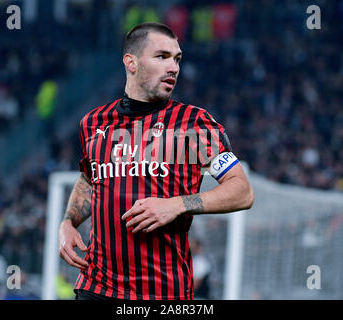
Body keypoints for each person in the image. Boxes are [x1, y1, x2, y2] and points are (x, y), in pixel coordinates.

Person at [58, 22, 254, 300]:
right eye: (162, 57)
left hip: (162, 293)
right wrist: (68, 222)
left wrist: (177, 205)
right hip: (95, 287)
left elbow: (242, 191)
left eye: (177, 59)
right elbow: (90, 179)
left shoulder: (195, 124)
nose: (173, 67)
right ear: (131, 62)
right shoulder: (93, 122)